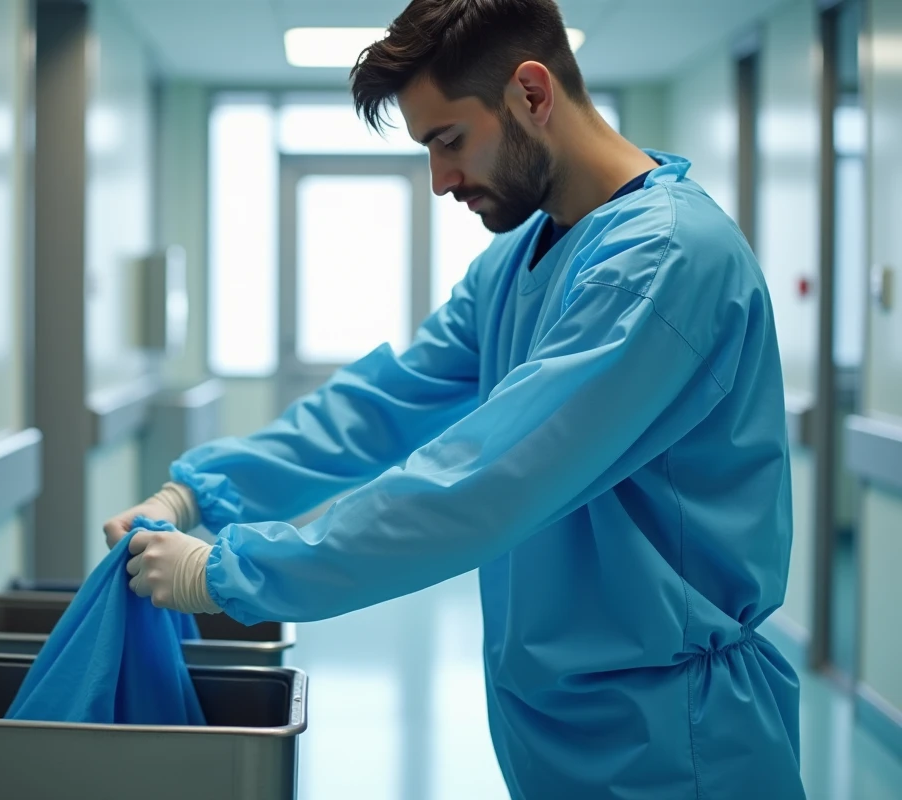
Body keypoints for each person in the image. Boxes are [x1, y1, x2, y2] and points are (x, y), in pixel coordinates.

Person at [107, 0, 805, 796]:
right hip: (560, 726)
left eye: (448, 141)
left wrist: (229, 573)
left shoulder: (664, 261)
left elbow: (481, 482)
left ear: (532, 94)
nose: (439, 181)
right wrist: (199, 490)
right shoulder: (516, 265)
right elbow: (379, 406)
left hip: (676, 740)